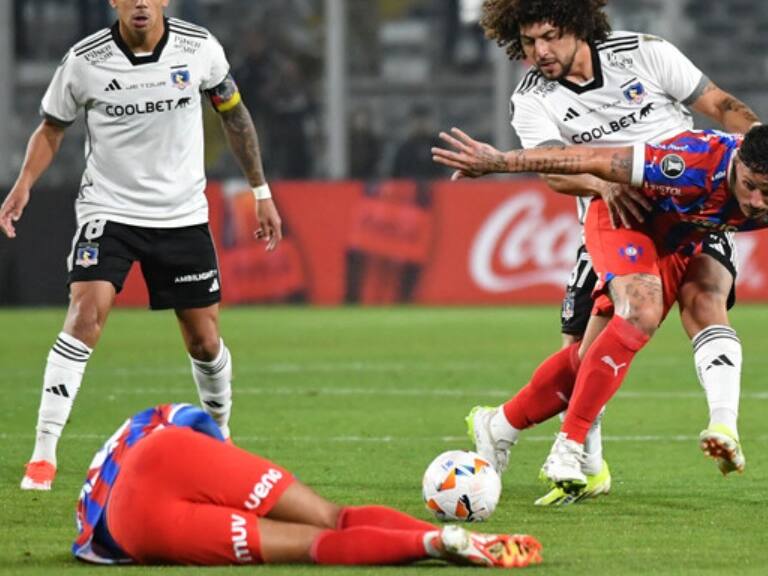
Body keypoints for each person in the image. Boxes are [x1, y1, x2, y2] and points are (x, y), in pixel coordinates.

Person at [462, 0, 760, 505]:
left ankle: (717, 426)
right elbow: (556, 169)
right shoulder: (532, 99)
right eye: (529, 41)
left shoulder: (646, 54)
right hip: (618, 217)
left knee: (705, 297)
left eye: (550, 36)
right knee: (585, 353)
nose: (540, 52)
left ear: (579, 26)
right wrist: (602, 186)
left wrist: (755, 146)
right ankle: (547, 443)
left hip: (692, 197)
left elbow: (723, 105)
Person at [0, 0, 282, 491]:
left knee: (204, 340)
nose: (140, 3)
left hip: (181, 215)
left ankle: (221, 433)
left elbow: (235, 117)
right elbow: (52, 127)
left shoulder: (200, 49)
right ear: (114, 1)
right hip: (109, 211)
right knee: (86, 316)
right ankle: (42, 456)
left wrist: (261, 192)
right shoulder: (84, 61)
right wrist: (23, 184)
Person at [432, 123, 768, 494]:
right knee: (642, 310)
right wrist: (500, 161)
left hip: (681, 239)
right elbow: (590, 158)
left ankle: (499, 425)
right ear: (737, 163)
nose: (755, 201)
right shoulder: (685, 164)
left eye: (765, 192)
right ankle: (568, 446)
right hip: (625, 217)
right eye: (749, 185)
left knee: (591, 358)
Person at [73, 403, 543, 568]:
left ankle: (434, 541)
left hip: (133, 525)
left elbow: (91, 548)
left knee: (311, 544)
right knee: (330, 517)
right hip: (168, 452)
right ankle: (463, 539)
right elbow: (190, 425)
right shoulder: (147, 427)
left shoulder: (88, 516)